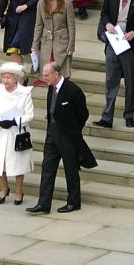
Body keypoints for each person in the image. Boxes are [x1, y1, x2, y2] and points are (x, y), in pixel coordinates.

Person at [26, 62, 94, 214]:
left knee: (71, 170)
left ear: (56, 74)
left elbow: (83, 114)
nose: (44, 78)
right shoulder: (51, 88)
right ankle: (43, 203)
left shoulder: (73, 90)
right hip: (52, 135)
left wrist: (73, 130)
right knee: (47, 168)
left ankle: (74, 202)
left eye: (46, 75)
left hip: (68, 136)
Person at [95, 0, 134, 129]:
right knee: (111, 79)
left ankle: (129, 114)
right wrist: (107, 24)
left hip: (129, 44)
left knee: (130, 79)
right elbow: (104, 14)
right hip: (113, 41)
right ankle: (107, 116)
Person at [0, 62, 34, 205]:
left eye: (8, 77)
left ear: (15, 79)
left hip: (17, 133)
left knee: (18, 164)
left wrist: (15, 121)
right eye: (4, 77)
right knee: (0, 163)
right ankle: (4, 188)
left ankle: (19, 192)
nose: (5, 80)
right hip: (1, 132)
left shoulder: (24, 93)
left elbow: (30, 114)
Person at [32, 0, 76, 78]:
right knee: (48, 73)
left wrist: (71, 46)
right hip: (46, 43)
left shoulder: (67, 3)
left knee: (61, 73)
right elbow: (38, 25)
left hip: (62, 42)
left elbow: (71, 26)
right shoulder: (41, 4)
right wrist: (35, 44)